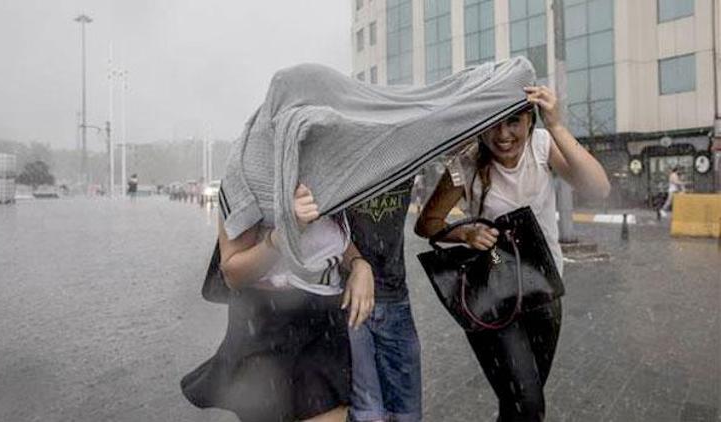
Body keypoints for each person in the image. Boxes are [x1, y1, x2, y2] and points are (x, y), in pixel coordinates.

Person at [415, 86, 610, 422]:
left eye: (514, 122)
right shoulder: (466, 162)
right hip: (493, 296)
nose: (503, 135)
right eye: (494, 124)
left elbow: (598, 189)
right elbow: (427, 223)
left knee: (519, 402)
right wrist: (466, 232)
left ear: (529, 122)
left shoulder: (543, 145)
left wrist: (558, 125)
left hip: (545, 290)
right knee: (528, 405)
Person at [181, 183, 375, 422]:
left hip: (325, 317)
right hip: (265, 322)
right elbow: (233, 273)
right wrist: (282, 236)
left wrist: (359, 264)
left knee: (338, 411)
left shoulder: (330, 170)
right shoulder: (249, 172)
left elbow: (336, 238)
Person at [346, 179, 423, 422]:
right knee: (368, 414)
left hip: (396, 298)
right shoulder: (337, 156)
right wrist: (357, 262)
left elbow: (454, 146)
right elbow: (321, 225)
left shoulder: (405, 153)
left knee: (408, 414)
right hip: (347, 300)